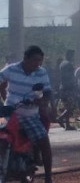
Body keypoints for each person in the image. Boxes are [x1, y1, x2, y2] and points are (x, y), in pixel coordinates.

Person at [0, 45, 55, 183]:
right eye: (35, 60)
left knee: (44, 141)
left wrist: (43, 101)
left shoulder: (41, 73)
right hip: (9, 112)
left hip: (29, 114)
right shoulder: (11, 69)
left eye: (40, 61)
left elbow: (47, 91)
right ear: (25, 58)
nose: (38, 64)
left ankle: (48, 177)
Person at [56, 49, 77, 130]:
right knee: (70, 106)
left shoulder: (62, 64)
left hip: (63, 87)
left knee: (68, 106)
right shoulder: (69, 64)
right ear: (69, 55)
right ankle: (60, 118)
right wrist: (74, 86)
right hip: (68, 88)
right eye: (72, 55)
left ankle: (67, 125)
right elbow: (71, 77)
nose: (73, 57)